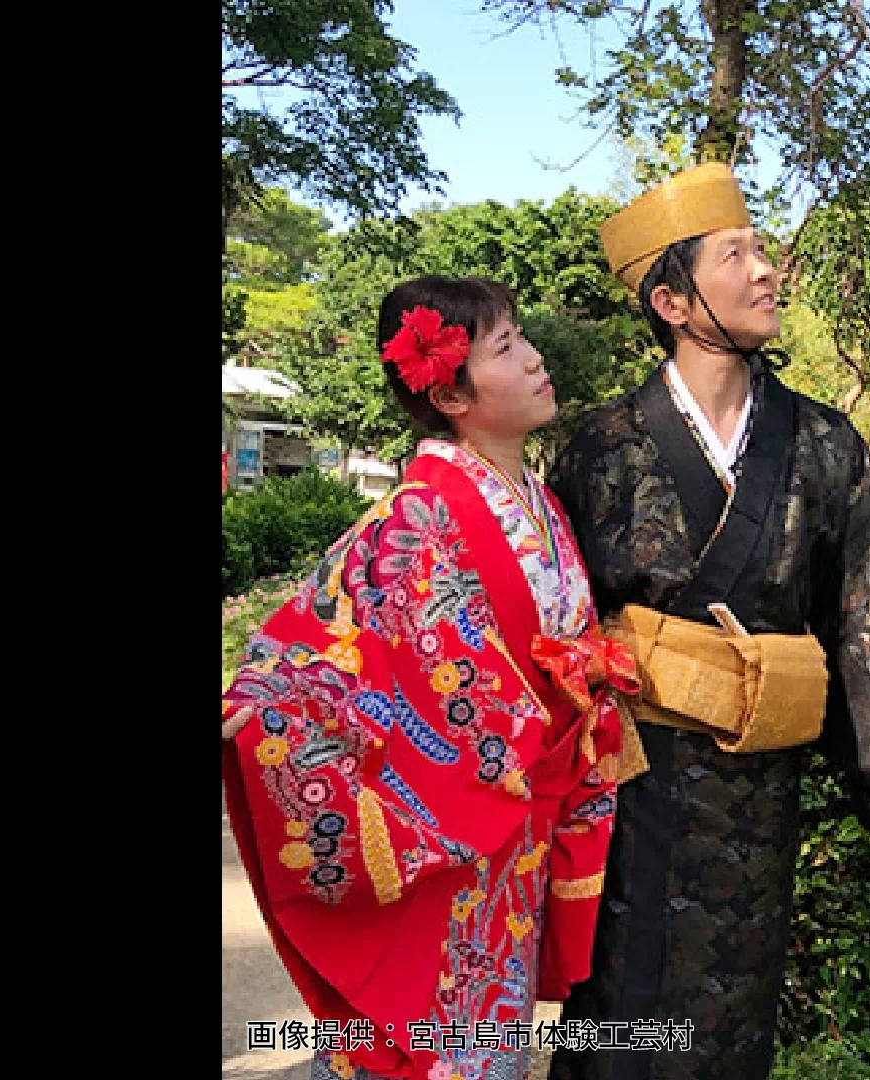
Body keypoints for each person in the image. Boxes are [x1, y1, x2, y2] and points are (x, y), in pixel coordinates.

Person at [545, 163, 870, 1080]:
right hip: (627, 782)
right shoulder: (601, 447)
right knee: (617, 1009)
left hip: (756, 792)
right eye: (738, 254)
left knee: (730, 1015)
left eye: (762, 250)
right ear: (673, 301)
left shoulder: (822, 441)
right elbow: (542, 618)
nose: (768, 271)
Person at [221, 277, 638, 1080]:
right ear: (449, 390)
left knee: (491, 1024)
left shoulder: (541, 507)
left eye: (523, 338)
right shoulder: (418, 512)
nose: (535, 358)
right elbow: (317, 641)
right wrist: (271, 702)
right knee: (415, 1033)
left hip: (513, 824)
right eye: (507, 347)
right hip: (452, 810)